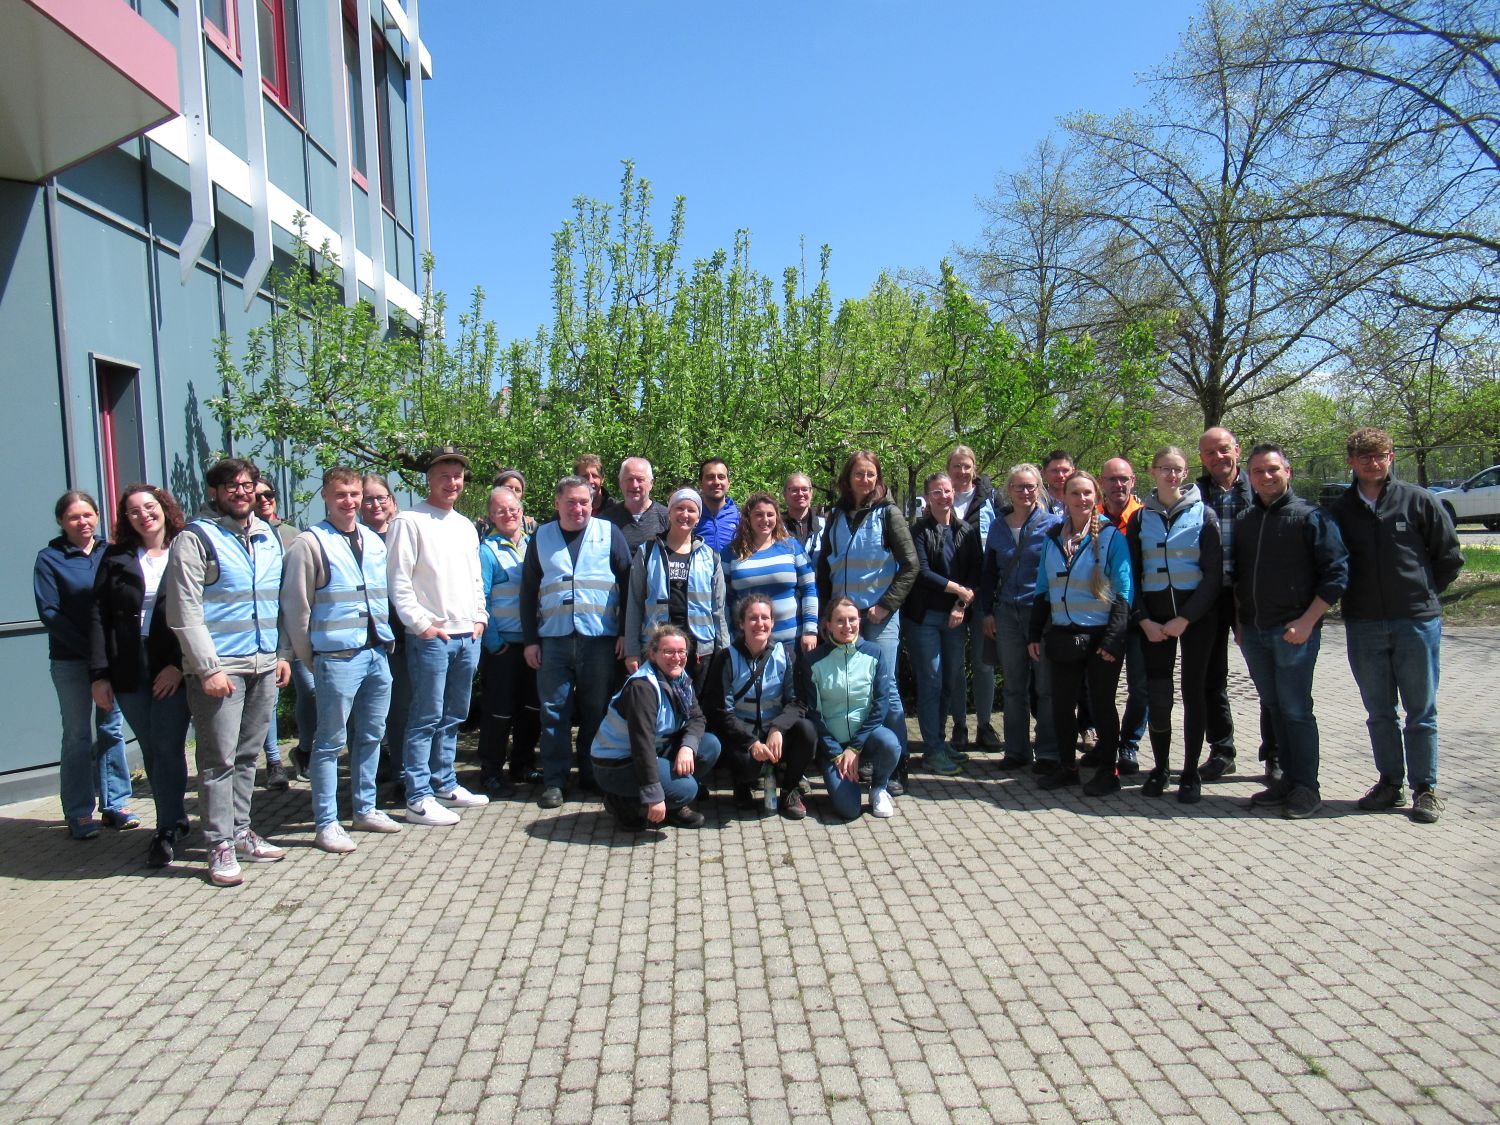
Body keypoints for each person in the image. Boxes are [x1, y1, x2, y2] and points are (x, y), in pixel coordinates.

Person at [165, 458, 292, 886]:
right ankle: (218, 843)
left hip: (262, 663)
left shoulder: (268, 535)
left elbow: (278, 601)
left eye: (247, 484)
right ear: (215, 492)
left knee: (246, 757)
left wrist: (282, 653)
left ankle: (241, 832)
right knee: (217, 760)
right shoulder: (195, 539)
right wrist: (206, 667)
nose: (241, 492)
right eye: (231, 486)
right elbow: (183, 612)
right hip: (221, 670)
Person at [1329, 427, 1462, 825]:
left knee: (1421, 711)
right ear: (1351, 461)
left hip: (1415, 622)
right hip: (1364, 623)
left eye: (1380, 455)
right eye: (1364, 456)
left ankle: (1426, 789)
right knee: (1378, 710)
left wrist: (1422, 595)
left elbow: (1448, 557)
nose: (1373, 462)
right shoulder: (1340, 510)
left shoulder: (1419, 501)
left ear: (1391, 457)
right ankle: (1390, 782)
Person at [280, 467, 401, 854]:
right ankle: (326, 822)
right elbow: (296, 608)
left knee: (370, 736)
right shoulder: (309, 544)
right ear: (326, 498)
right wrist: (309, 658)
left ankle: (365, 808)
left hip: (376, 652)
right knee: (329, 743)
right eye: (341, 495)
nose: (350, 502)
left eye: (355, 495)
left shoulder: (374, 540)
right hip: (336, 657)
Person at [1235, 443, 1349, 820]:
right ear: (1248, 477)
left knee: (1297, 710)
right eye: (1257, 472)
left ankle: (1307, 787)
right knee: (1275, 707)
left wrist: (1308, 620)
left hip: (1294, 632)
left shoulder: (1311, 517)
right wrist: (1240, 623)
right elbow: (1238, 577)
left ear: (1288, 471)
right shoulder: (1248, 520)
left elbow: (1336, 575)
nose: (1266, 477)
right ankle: (1286, 780)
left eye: (1272, 470)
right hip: (1254, 632)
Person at [88, 484, 193, 866]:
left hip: (173, 664)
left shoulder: (187, 545)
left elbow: (204, 610)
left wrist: (180, 665)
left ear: (164, 507)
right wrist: (99, 675)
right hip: (129, 665)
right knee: (151, 748)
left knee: (166, 745)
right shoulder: (115, 555)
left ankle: (164, 830)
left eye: (150, 506)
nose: (143, 514)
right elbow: (99, 617)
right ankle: (176, 816)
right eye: (133, 511)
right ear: (126, 518)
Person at [386, 445, 490, 827]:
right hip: (433, 638)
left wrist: (480, 618)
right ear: (429, 479)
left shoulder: (464, 526)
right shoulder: (409, 522)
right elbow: (398, 582)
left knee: (453, 715)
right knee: (425, 716)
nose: (452, 483)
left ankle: (444, 783)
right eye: (444, 476)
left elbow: (475, 579)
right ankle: (417, 797)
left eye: (457, 476)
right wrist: (421, 625)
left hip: (467, 637)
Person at [522, 475, 633, 809]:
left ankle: (592, 774)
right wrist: (530, 640)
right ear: (558, 503)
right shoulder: (541, 536)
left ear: (593, 503)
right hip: (553, 640)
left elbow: (629, 583)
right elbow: (528, 591)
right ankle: (554, 781)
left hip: (599, 639)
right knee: (553, 712)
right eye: (571, 502)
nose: (578, 508)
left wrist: (626, 634)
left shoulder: (608, 532)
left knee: (595, 711)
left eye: (584, 501)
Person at [1027, 470, 1133, 796]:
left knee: (1102, 704)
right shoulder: (1053, 539)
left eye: (1088, 493)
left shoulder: (1113, 538)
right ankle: (1067, 767)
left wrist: (1114, 638)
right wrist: (1034, 633)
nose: (1082, 499)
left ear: (1096, 497)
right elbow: (1044, 590)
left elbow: (1125, 591)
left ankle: (1108, 771)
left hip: (1101, 637)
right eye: (1075, 493)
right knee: (1061, 705)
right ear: (1065, 498)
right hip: (1063, 635)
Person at [35, 490, 133, 840]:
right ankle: (78, 811)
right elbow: (50, 613)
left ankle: (116, 804)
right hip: (72, 661)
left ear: (97, 516)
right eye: (74, 517)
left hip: (111, 659)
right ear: (62, 522)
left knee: (111, 729)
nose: (83, 522)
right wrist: (93, 652)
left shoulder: (112, 552)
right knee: (77, 735)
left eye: (88, 515)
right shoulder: (49, 559)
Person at [1127, 447, 1222, 803]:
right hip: (1154, 621)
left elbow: (1213, 575)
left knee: (1193, 693)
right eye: (1164, 469)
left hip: (1196, 619)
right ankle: (1161, 768)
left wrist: (1187, 617)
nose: (1170, 475)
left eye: (1177, 469)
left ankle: (1191, 772)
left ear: (1185, 474)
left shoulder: (1204, 514)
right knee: (1160, 696)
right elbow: (1130, 576)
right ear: (1152, 472)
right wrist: (1144, 619)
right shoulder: (1140, 518)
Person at [816, 450, 917, 786]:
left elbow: (910, 564)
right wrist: (824, 613)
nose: (865, 480)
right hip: (842, 619)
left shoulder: (889, 514)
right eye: (859, 474)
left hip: (878, 618)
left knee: (885, 691)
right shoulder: (836, 514)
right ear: (848, 478)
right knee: (851, 691)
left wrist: (886, 605)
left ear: (878, 478)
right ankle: (860, 760)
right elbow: (824, 567)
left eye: (871, 474)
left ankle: (897, 763)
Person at [1195, 426, 1276, 783]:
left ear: (1237, 451)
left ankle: (1275, 753)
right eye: (1210, 453)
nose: (1218, 458)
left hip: (1254, 598)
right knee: (1211, 680)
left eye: (1223, 450)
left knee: (1266, 678)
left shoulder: (1261, 488)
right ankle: (1222, 750)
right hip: (1208, 598)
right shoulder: (1193, 495)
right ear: (1202, 458)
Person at [590, 625, 722, 830]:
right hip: (617, 764)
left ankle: (672, 806)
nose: (676, 658)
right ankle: (623, 802)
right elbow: (642, 746)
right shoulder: (642, 687)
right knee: (688, 789)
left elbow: (697, 718)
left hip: (654, 750)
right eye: (668, 651)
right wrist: (654, 795)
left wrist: (688, 746)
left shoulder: (680, 678)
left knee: (709, 745)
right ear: (653, 654)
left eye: (681, 652)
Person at [980, 464, 1064, 773]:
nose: (1025, 492)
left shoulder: (1054, 525)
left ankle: (1048, 752)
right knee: (1014, 687)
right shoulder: (999, 527)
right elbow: (989, 573)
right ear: (1008, 490)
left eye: (1030, 486)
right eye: (1018, 487)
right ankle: (1016, 751)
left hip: (1040, 613)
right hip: (1007, 613)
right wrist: (987, 611)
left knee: (1045, 686)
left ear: (1040, 488)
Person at [704, 595, 817, 818]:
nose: (759, 623)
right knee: (746, 765)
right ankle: (742, 784)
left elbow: (798, 702)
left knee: (807, 731)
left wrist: (778, 728)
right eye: (752, 618)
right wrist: (751, 741)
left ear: (773, 622)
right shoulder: (726, 658)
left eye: (765, 617)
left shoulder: (785, 654)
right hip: (741, 735)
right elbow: (720, 711)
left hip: (775, 731)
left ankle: (789, 789)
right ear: (741, 624)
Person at [796, 597, 902, 819]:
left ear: (860, 621)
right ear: (828, 625)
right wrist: (836, 752)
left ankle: (878, 788)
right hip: (833, 746)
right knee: (849, 810)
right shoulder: (812, 661)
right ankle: (841, 776)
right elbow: (813, 713)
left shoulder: (875, 653)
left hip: (865, 739)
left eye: (852, 620)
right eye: (840, 621)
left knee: (891, 743)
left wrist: (855, 747)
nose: (848, 626)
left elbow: (880, 704)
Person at [905, 471, 980, 777]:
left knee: (950, 681)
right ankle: (932, 748)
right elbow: (921, 572)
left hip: (955, 617)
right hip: (924, 618)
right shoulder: (919, 531)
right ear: (928, 496)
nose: (943, 496)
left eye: (947, 491)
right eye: (936, 492)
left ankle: (941, 741)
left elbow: (977, 573)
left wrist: (962, 603)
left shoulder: (967, 530)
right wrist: (957, 589)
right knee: (931, 681)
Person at [624, 488, 729, 694]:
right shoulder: (647, 552)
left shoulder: (711, 557)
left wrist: (723, 651)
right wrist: (632, 650)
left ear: (699, 516)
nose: (685, 514)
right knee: (659, 707)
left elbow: (719, 608)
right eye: (679, 508)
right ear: (669, 513)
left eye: (691, 510)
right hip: (658, 647)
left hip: (699, 649)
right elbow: (634, 604)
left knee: (695, 709)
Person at [477, 485, 539, 799]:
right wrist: (493, 642)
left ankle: (523, 765)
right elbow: (481, 598)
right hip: (502, 646)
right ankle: (490, 771)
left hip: (532, 643)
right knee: (499, 712)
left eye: (513, 508)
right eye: (500, 510)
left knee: (530, 709)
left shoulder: (534, 544)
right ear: (491, 515)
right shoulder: (486, 550)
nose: (508, 514)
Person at [252, 479, 313, 790]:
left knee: (311, 690)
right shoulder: (243, 536)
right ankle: (273, 761)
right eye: (257, 495)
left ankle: (304, 750)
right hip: (262, 628)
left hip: (294, 625)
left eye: (269, 495)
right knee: (269, 699)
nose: (264, 500)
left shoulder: (293, 535)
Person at [946, 446, 999, 751]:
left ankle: (984, 725)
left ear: (975, 468)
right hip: (950, 595)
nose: (962, 472)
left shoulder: (991, 500)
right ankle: (959, 726)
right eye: (956, 466)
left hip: (983, 593)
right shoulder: (939, 498)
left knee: (983, 664)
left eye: (967, 466)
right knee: (954, 665)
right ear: (949, 468)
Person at [721, 491, 818, 653]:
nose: (765, 520)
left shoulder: (791, 547)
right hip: (748, 645)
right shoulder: (731, 552)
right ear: (748, 518)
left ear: (777, 517)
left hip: (792, 643)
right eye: (758, 514)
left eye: (770, 515)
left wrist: (810, 630)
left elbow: (809, 589)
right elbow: (724, 600)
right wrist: (729, 636)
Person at [1099, 457, 1148, 776]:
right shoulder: (1092, 519)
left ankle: (1129, 743)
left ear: (1133, 481)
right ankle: (1104, 743)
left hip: (1142, 616)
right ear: (1102, 483)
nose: (1118, 485)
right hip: (1104, 616)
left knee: (1140, 686)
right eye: (1112, 479)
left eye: (1124, 479)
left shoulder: (1146, 518)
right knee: (1101, 686)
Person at [361, 474, 409, 787]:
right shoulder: (355, 539)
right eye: (368, 499)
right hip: (367, 638)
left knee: (402, 707)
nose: (376, 504)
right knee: (367, 712)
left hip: (403, 635)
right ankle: (370, 773)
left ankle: (403, 772)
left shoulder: (403, 534)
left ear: (392, 502)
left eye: (381, 497)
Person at [600, 456, 670, 555]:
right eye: (629, 479)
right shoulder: (606, 520)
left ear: (651, 483)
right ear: (620, 482)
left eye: (640, 479)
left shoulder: (667, 517)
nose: (634, 485)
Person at [694, 457, 740, 552]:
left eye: (721, 477)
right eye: (710, 477)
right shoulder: (691, 516)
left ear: (728, 483)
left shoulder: (740, 517)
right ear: (700, 483)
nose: (716, 482)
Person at [781, 473, 825, 563]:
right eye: (794, 490)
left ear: (811, 493)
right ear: (784, 494)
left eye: (804, 489)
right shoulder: (776, 526)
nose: (800, 494)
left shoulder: (825, 525)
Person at [494, 469, 538, 536]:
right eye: (508, 488)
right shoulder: (482, 526)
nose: (513, 492)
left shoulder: (530, 525)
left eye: (517, 490)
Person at [1040, 450, 1075, 515]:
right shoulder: (1036, 504)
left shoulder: (1082, 502)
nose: (1060, 475)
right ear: (1043, 473)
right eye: (1054, 471)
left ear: (1073, 472)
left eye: (1065, 470)